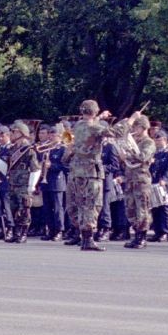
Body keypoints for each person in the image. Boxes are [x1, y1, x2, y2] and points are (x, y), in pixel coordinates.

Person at [62, 100, 112, 251]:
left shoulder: (77, 127)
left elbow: (86, 128)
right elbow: (116, 132)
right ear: (95, 112)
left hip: (76, 172)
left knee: (79, 204)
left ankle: (82, 236)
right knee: (91, 205)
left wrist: (100, 117)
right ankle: (88, 239)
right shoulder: (96, 127)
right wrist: (132, 119)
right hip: (91, 172)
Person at [120, 114, 157, 248]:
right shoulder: (134, 140)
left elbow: (142, 156)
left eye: (136, 126)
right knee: (130, 208)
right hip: (130, 179)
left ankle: (142, 236)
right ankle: (136, 233)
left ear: (142, 127)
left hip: (141, 179)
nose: (134, 129)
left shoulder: (148, 142)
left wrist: (127, 155)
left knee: (142, 209)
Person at [3, 121, 39, 243]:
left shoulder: (29, 150)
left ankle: (23, 233)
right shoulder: (12, 149)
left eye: (14, 132)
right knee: (13, 208)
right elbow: (7, 166)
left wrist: (32, 185)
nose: (12, 134)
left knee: (24, 209)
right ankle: (16, 231)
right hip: (13, 182)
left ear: (21, 133)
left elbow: (35, 169)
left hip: (24, 183)